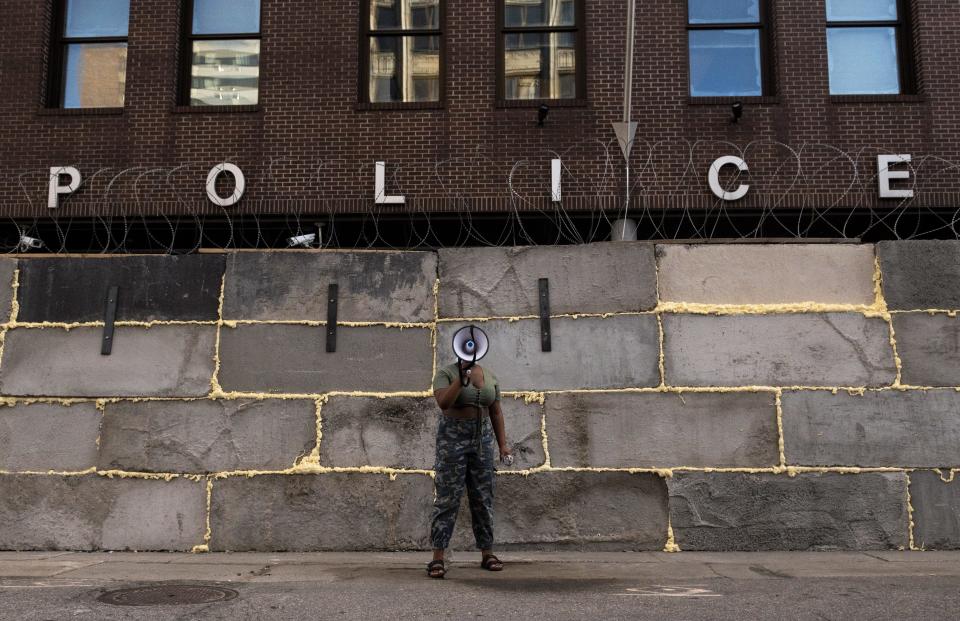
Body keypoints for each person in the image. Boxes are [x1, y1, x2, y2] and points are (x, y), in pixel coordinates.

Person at [426, 358, 512, 579]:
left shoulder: (490, 375)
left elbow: (496, 412)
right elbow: (444, 403)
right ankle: (437, 557)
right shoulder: (445, 374)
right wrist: (462, 379)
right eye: (465, 346)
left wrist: (503, 445)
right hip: (452, 439)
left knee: (483, 497)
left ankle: (487, 553)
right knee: (447, 498)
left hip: (482, 440)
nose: (470, 352)